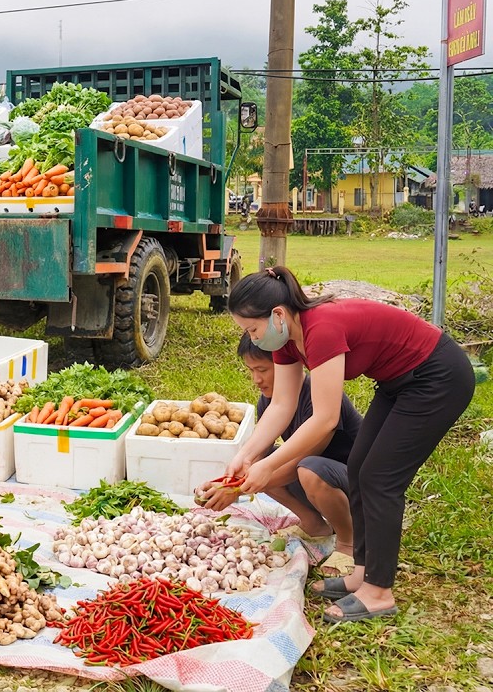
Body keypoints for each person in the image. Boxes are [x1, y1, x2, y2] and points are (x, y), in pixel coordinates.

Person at [226, 266, 475, 624]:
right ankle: (363, 572)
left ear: (278, 314)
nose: (253, 337)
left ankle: (379, 592)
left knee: (380, 478)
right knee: (359, 466)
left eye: (252, 329)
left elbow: (325, 419)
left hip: (438, 375)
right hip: (397, 383)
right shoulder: (286, 343)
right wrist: (246, 456)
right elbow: (282, 406)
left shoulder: (321, 328)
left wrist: (267, 466)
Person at [198, 334, 361, 576]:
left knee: (304, 469)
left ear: (286, 365)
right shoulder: (270, 400)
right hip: (312, 473)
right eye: (251, 370)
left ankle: (349, 543)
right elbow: (255, 459)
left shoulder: (319, 394)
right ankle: (314, 526)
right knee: (260, 467)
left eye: (262, 369)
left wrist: (241, 489)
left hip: (352, 479)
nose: (256, 379)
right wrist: (225, 483)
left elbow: (302, 458)